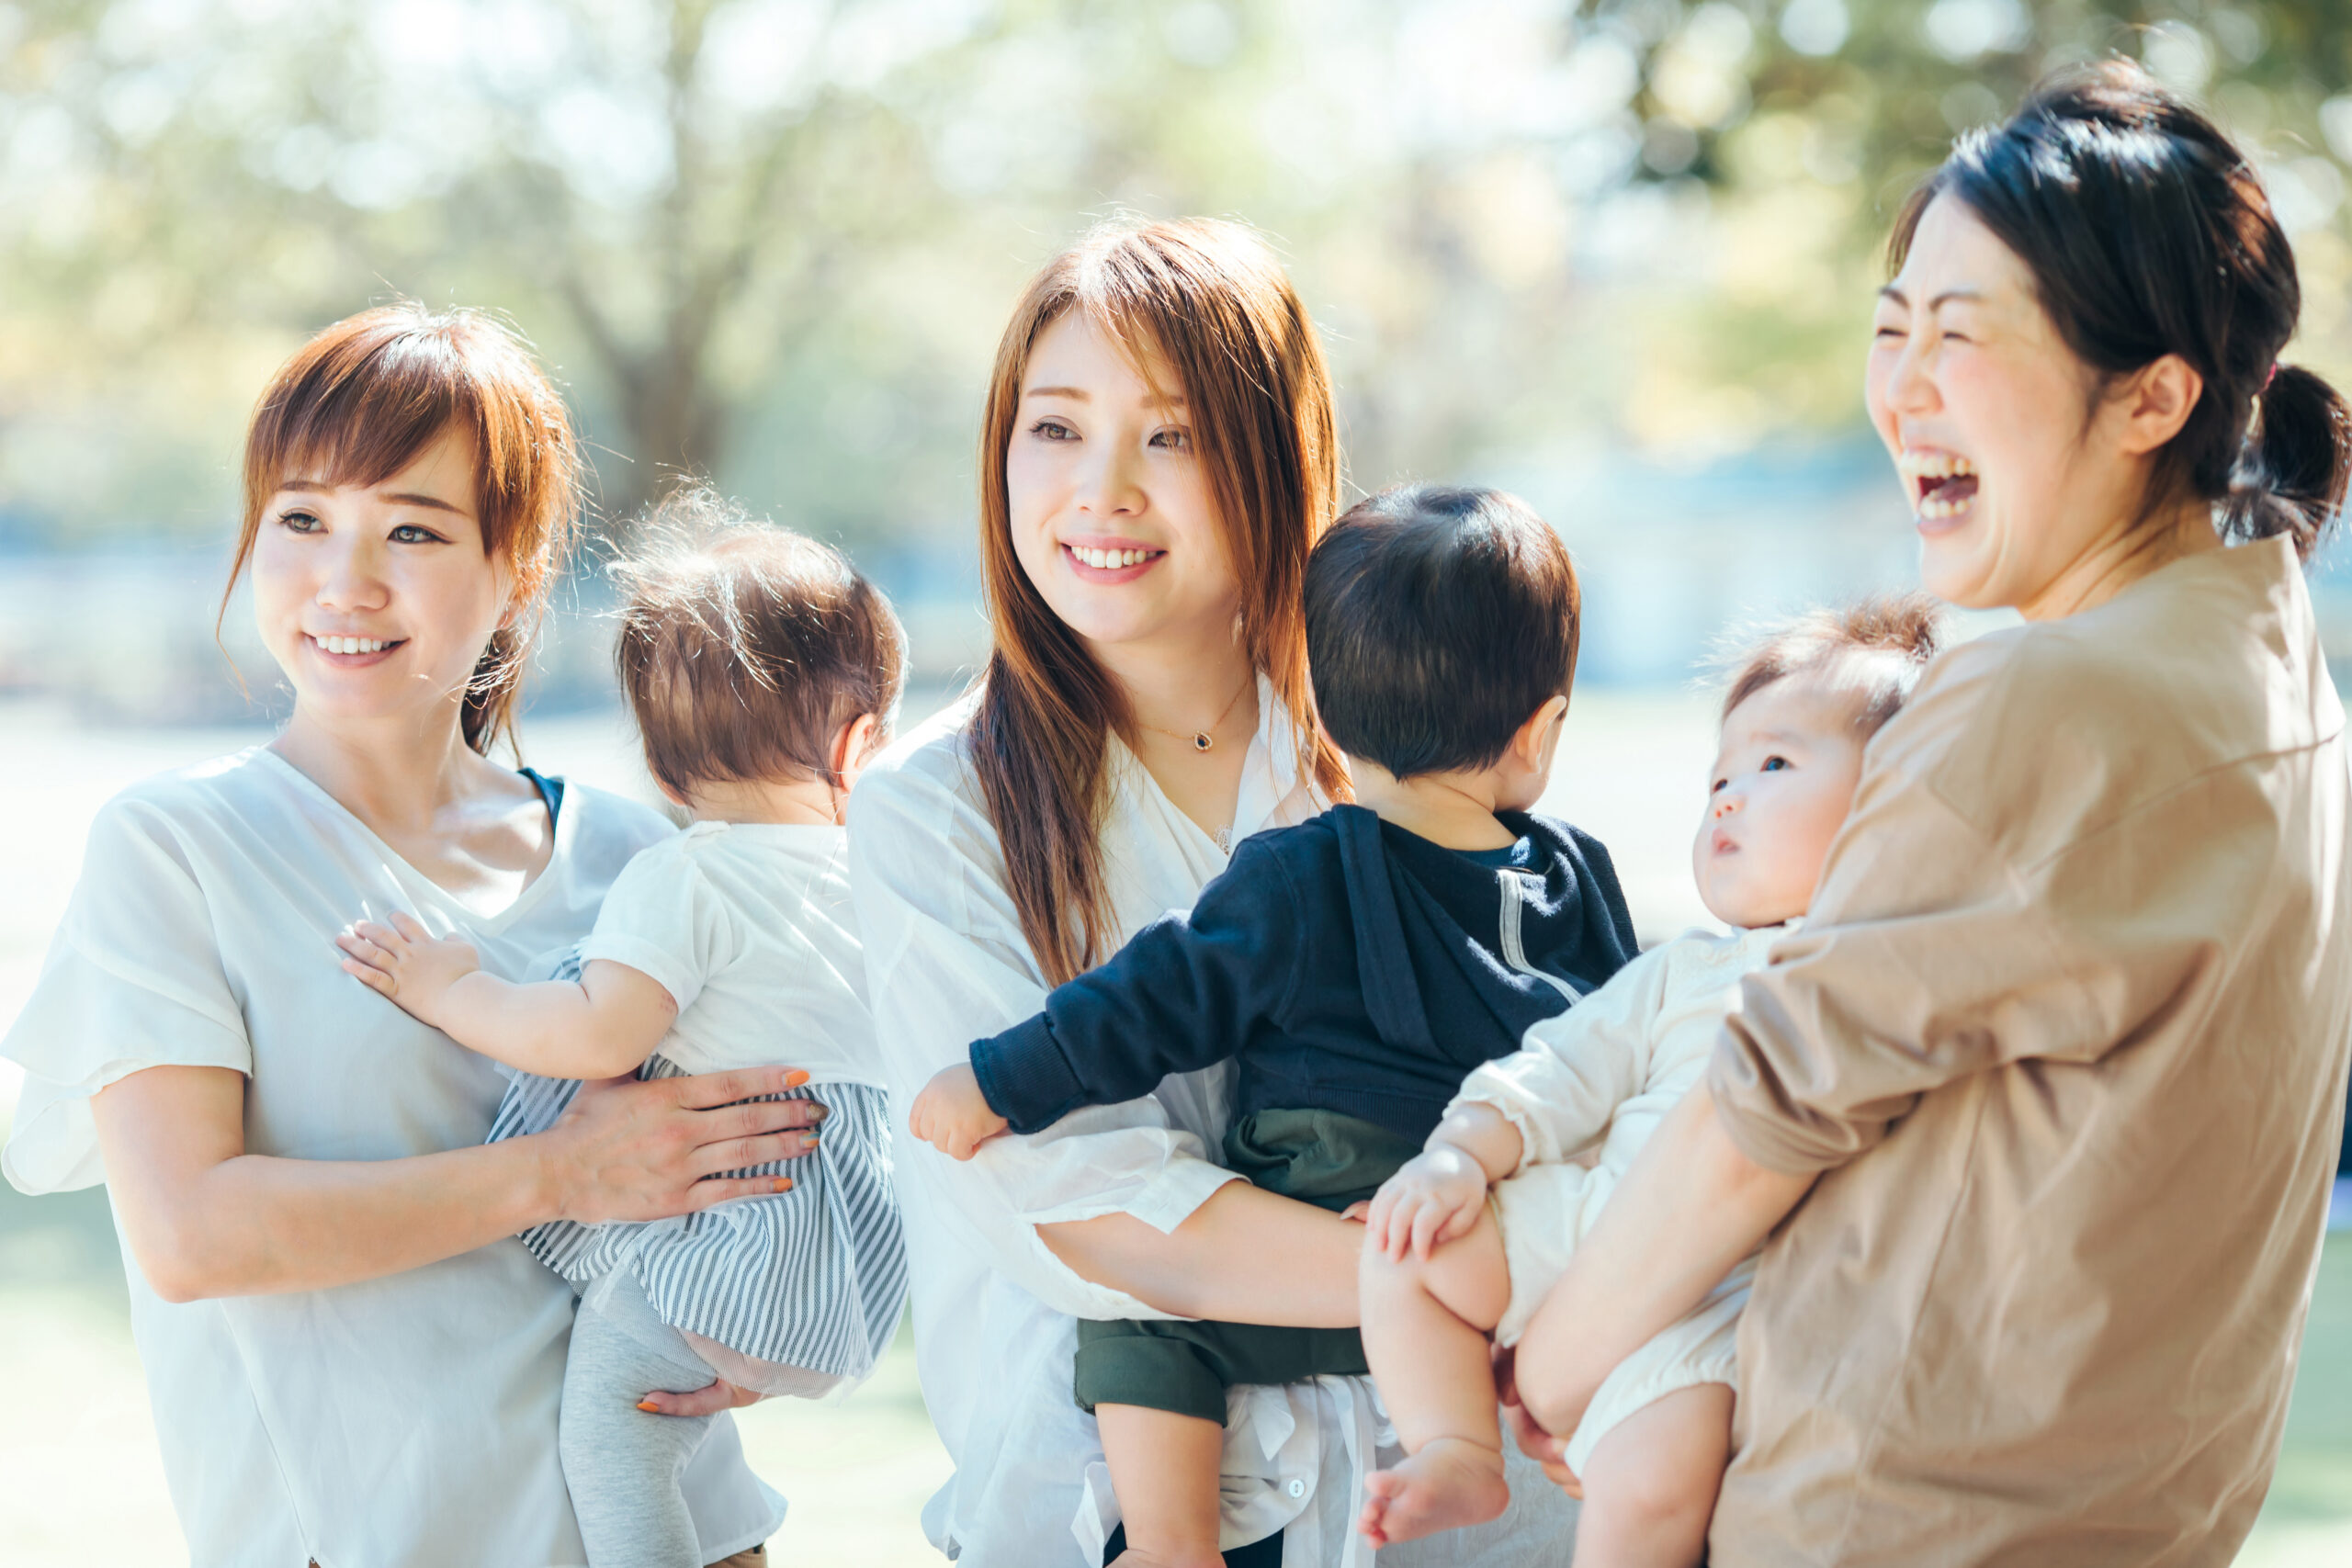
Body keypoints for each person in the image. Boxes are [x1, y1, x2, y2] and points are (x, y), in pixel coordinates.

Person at [1500, 62, 2352, 1567]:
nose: (1903, 388)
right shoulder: (2270, 670)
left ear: (2152, 394)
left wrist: (1554, 1365)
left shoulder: (2046, 703)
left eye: (1962, 336)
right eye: (1893, 330)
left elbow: (1754, 1115)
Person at [0, 307, 821, 1567]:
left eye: (415, 530)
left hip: (687, 1535)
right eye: (304, 519)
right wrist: (561, 1173)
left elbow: (773, 1156)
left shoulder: (636, 854)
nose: (347, 581)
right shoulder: (176, 850)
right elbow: (193, 1233)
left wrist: (769, 1308)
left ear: (518, 568)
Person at [850, 218, 1584, 1566]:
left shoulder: (1403, 765)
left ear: (1273, 458)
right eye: (1055, 428)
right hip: (1109, 1513)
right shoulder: (935, 806)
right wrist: (1499, 1276)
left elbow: (1572, 1063)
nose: (1101, 490)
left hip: (1461, 1505)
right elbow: (1081, 1197)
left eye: (1169, 436)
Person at [907, 485, 1638, 1568]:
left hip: (1327, 1221)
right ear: (1538, 732)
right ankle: (1462, 1442)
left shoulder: (1305, 869)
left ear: (1329, 717)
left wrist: (993, 1081)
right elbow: (1631, 1047)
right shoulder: (1579, 873)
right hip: (1513, 1231)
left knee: (1140, 1313)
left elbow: (1144, 1002)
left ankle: (1169, 1543)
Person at [335, 491, 910, 1568]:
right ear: (861, 742)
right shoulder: (877, 887)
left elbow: (599, 1037)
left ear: (659, 770)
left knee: (611, 1430)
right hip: (846, 1271)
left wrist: (447, 990)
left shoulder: (682, 878)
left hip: (732, 1252)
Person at [1355, 598, 1942, 1567]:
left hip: (1720, 1304)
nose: (1724, 796)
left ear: (1895, 809)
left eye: (1774, 765)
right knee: (1402, 1246)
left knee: (1644, 1498)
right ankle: (1458, 1449)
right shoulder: (1682, 972)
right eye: (1719, 773)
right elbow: (1558, 1067)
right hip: (1581, 1224)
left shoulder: (1889, 977)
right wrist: (1457, 1159)